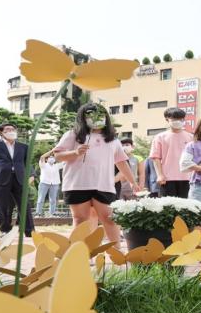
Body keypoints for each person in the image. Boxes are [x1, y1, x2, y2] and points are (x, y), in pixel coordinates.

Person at [53, 104, 140, 243]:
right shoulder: (73, 135)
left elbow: (121, 162)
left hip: (104, 185)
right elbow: (58, 155)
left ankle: (116, 251)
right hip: (77, 184)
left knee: (109, 218)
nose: (96, 118)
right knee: (80, 220)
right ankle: (79, 252)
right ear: (83, 117)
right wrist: (75, 152)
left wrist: (132, 182)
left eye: (100, 114)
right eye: (91, 115)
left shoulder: (113, 140)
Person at [0, 123, 35, 236]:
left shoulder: (23, 146)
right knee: (3, 206)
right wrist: (1, 169)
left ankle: (29, 231)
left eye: (13, 129)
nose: (11, 131)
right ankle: (5, 230)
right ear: (1, 132)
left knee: (24, 205)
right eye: (8, 129)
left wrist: (32, 174)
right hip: (0, 179)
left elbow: (27, 162)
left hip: (19, 178)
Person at [150, 107, 193, 198]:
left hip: (187, 178)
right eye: (174, 119)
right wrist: (160, 175)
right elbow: (156, 158)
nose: (177, 121)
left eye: (180, 119)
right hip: (167, 179)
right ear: (167, 119)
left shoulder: (191, 137)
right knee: (168, 205)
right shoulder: (160, 137)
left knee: (186, 205)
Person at [35, 150, 64, 217]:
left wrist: (58, 153)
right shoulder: (43, 164)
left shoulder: (56, 166)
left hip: (55, 184)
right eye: (50, 157)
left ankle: (52, 213)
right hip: (44, 183)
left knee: (53, 200)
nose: (52, 158)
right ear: (47, 159)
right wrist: (51, 151)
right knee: (41, 199)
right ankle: (38, 213)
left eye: (52, 157)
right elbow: (42, 157)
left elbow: (64, 162)